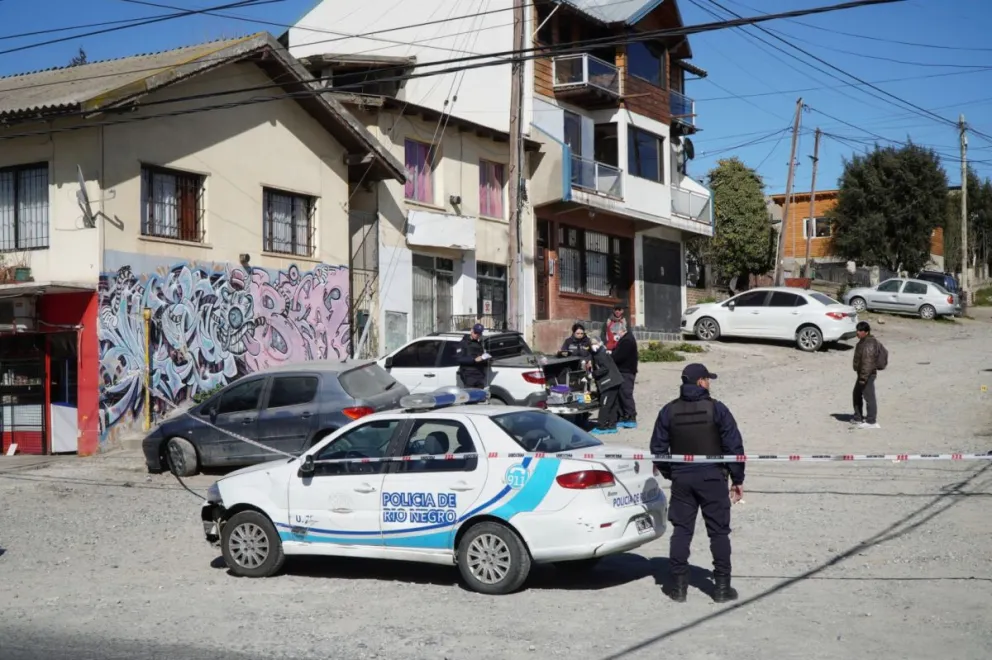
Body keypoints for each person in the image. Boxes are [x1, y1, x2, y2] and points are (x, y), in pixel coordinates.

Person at [649, 363, 745, 604]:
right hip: (713, 477)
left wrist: (674, 473)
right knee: (719, 533)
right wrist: (737, 478)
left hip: (683, 478)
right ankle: (722, 588)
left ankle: (679, 587)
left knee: (681, 531)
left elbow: (658, 449)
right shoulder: (717, 409)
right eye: (707, 379)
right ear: (700, 382)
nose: (709, 383)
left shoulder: (668, 411)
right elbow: (734, 446)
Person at [588, 337, 622, 435]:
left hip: (609, 382)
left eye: (595, 343)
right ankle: (612, 425)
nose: (593, 345)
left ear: (599, 343)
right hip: (615, 381)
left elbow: (605, 368)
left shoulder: (601, 354)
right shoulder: (600, 352)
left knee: (605, 404)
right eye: (592, 343)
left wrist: (593, 374)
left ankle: (601, 426)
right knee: (613, 404)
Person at [852, 320, 881, 429]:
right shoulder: (864, 341)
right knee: (856, 394)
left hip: (867, 375)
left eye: (860, 330)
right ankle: (858, 417)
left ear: (866, 332)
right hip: (863, 374)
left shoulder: (869, 344)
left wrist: (863, 378)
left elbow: (867, 363)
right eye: (857, 330)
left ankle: (871, 421)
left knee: (869, 397)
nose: (857, 332)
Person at [610, 326, 638, 428]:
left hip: (626, 371)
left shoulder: (627, 341)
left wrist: (610, 356)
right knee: (621, 394)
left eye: (615, 333)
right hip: (624, 371)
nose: (614, 336)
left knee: (626, 394)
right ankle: (622, 416)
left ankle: (630, 416)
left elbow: (619, 356)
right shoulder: (626, 339)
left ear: (621, 331)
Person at [456, 324, 490, 389]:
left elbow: (482, 357)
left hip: (479, 375)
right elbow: (459, 359)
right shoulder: (463, 343)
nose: (477, 335)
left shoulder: (479, 344)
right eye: (475, 332)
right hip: (469, 375)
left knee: (480, 397)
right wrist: (473, 359)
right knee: (471, 397)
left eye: (479, 334)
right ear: (471, 331)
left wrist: (486, 359)